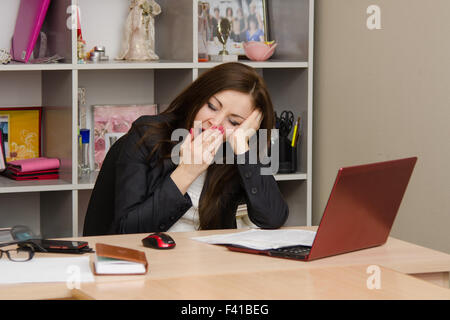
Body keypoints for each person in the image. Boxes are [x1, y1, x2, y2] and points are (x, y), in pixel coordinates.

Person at [83, 62, 288, 236]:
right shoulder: (148, 135)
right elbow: (126, 232)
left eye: (233, 121)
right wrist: (187, 171)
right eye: (212, 106)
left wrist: (243, 148)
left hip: (207, 267)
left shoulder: (234, 152)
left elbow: (272, 219)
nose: (214, 122)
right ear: (199, 97)